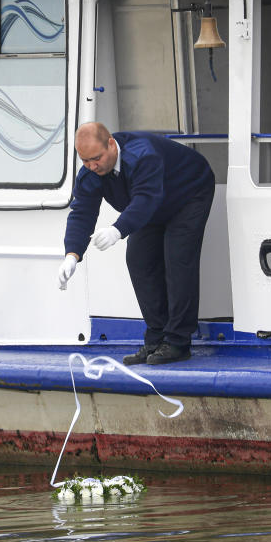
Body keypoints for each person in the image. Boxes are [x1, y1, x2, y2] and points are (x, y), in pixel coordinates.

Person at [58, 122, 215, 365]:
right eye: (85, 161)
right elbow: (82, 212)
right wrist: (72, 254)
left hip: (188, 193)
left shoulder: (143, 155)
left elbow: (146, 199)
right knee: (139, 261)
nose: (92, 166)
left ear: (111, 144)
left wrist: (117, 230)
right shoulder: (91, 171)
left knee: (178, 260)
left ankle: (177, 342)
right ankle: (156, 340)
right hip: (151, 204)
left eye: (96, 158)